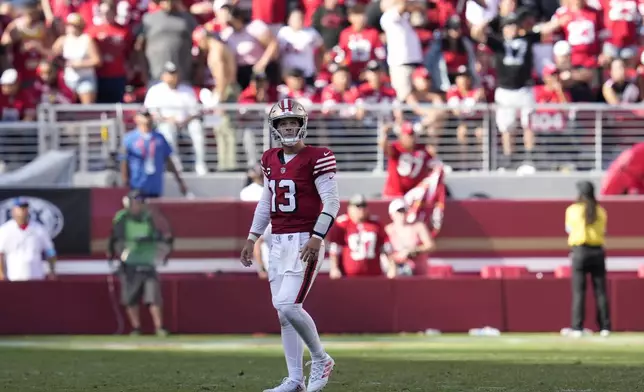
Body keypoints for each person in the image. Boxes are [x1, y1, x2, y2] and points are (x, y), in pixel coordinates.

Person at [239, 98, 339, 392]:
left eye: (293, 122)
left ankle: (321, 359)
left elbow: (331, 201)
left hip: (304, 240)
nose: (289, 127)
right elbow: (266, 201)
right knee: (283, 315)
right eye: (283, 123)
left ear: (302, 125)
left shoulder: (318, 156)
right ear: (275, 128)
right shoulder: (269, 159)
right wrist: (253, 237)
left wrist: (317, 237)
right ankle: (295, 379)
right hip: (277, 241)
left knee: (287, 303)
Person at [108, 190, 173, 336]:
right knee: (131, 297)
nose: (138, 206)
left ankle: (159, 327)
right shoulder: (122, 218)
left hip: (148, 260)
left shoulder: (150, 217)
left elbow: (162, 233)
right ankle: (136, 327)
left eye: (140, 202)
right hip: (130, 261)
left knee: (154, 296)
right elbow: (117, 238)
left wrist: (155, 238)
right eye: (135, 202)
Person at [565, 181, 611, 338]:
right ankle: (605, 327)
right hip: (597, 251)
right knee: (601, 291)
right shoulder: (601, 211)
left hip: (580, 251)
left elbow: (568, 229)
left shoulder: (573, 210)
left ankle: (577, 327)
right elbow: (604, 231)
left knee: (579, 292)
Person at [121, 108, 188, 198]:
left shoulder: (159, 138)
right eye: (143, 116)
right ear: (136, 118)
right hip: (137, 185)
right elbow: (124, 162)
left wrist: (180, 181)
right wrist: (125, 182)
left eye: (148, 115)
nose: (146, 118)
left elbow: (168, 160)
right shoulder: (129, 139)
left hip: (155, 185)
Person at [327, 194, 395, 279]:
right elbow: (335, 249)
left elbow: (386, 247)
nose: (361, 209)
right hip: (349, 276)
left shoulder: (376, 224)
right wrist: (334, 268)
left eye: (364, 206)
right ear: (350, 208)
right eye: (358, 206)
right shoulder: (342, 224)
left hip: (373, 275)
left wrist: (392, 267)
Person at [0, 198, 57, 281]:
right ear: (13, 211)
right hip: (15, 276)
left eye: (25, 208)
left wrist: (52, 271)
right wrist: (1, 273)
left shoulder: (39, 229)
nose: (23, 211)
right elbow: (1, 253)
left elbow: (50, 250)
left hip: (36, 276)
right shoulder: (5, 230)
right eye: (20, 208)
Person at [385, 198, 434, 276]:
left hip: (418, 273)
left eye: (404, 211)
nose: (402, 214)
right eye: (399, 211)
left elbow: (431, 246)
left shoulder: (418, 226)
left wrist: (414, 250)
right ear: (392, 214)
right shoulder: (388, 230)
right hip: (397, 272)